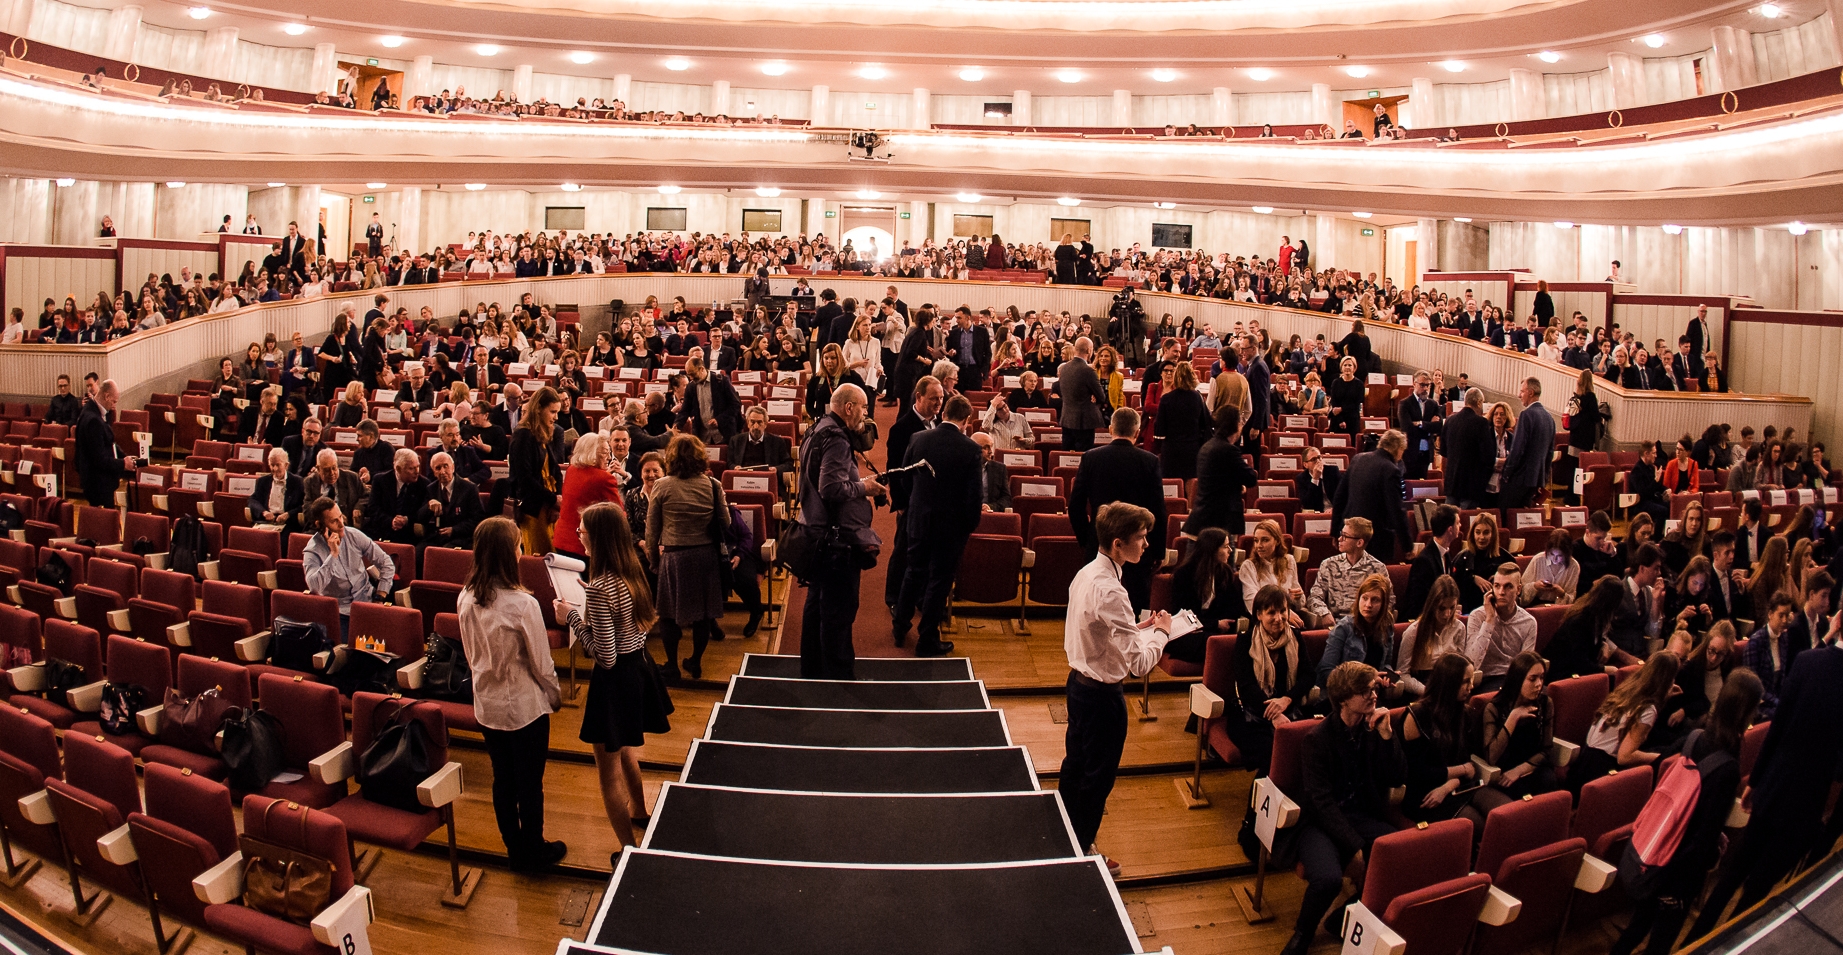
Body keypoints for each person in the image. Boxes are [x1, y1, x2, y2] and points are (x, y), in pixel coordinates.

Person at [1689, 609, 1843, 941]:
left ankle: (1693, 941)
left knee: (1732, 875)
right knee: (1757, 891)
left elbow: (1776, 731)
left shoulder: (1805, 661)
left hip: (1774, 787)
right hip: (1807, 803)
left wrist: (1755, 782)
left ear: (1839, 620)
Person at [1611, 669, 1760, 955]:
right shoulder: (1728, 766)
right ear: (1745, 712)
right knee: (1660, 944)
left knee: (1636, 928)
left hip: (1658, 854)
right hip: (1680, 872)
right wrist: (1710, 852)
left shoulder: (1695, 737)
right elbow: (1703, 835)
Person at [1060, 502, 1173, 874]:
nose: (1147, 545)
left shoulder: (1087, 573)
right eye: (1141, 538)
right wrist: (1161, 633)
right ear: (1118, 543)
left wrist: (1138, 630)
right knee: (1097, 779)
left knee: (1075, 765)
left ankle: (1063, 830)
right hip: (1102, 698)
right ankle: (1082, 849)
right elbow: (1139, 666)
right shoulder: (1112, 590)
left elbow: (1097, 632)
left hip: (1077, 685)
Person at [557, 503, 669, 859]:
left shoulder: (600, 588)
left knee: (607, 773)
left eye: (583, 530)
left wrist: (572, 616)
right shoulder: (630, 572)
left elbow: (604, 655)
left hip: (615, 681)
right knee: (627, 750)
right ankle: (640, 810)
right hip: (638, 669)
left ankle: (627, 848)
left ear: (599, 537)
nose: (578, 535)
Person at [456, 517, 565, 871]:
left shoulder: (466, 597)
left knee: (503, 780)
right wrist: (554, 695)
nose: (522, 551)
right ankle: (534, 850)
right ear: (507, 552)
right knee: (529, 784)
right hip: (523, 707)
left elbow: (471, 655)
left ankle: (514, 849)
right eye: (518, 544)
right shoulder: (521, 604)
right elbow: (541, 662)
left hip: (487, 705)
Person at [1281, 661, 1404, 955]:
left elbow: (1398, 777)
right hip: (1320, 822)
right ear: (1344, 700)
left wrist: (1388, 737)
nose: (1374, 696)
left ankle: (1343, 918)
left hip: (1360, 815)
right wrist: (1354, 846)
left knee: (1398, 858)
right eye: (1365, 691)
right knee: (1327, 880)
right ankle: (1302, 934)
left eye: (1373, 689)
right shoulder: (1317, 740)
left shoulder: (1374, 728)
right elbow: (1321, 802)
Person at [795, 384, 883, 680]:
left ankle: (813, 672)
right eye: (863, 408)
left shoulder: (817, 427)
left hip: (817, 533)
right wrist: (865, 487)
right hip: (836, 541)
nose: (865, 414)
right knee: (839, 611)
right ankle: (838, 678)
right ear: (849, 408)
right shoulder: (835, 438)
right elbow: (830, 487)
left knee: (817, 607)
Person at [893, 395, 982, 657]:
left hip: (919, 519)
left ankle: (900, 626)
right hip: (951, 527)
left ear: (943, 413)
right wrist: (968, 525)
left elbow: (904, 479)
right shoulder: (970, 449)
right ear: (966, 420)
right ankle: (927, 638)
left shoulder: (918, 439)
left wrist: (916, 505)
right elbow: (973, 496)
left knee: (913, 572)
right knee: (939, 581)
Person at [646, 433, 729, 682]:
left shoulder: (661, 486)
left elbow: (652, 531)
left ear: (670, 458)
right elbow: (726, 521)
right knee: (703, 615)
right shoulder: (712, 485)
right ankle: (695, 661)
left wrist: (653, 559)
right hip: (705, 556)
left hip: (674, 557)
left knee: (669, 615)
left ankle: (671, 664)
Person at [1069, 408, 1168, 613]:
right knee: (1135, 607)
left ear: (1110, 429)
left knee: (1095, 603)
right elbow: (1158, 510)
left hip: (1100, 541)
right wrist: (1157, 550)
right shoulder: (1150, 461)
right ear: (1137, 432)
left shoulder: (1091, 458)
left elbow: (1076, 505)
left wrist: (1087, 538)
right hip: (1136, 543)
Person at [1570, 651, 1679, 792]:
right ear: (1667, 680)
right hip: (1601, 772)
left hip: (1584, 762)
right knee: (1664, 755)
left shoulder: (1628, 689)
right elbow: (1625, 757)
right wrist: (1659, 757)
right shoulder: (1647, 709)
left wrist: (1665, 696)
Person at [884, 376, 943, 616]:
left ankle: (919, 595)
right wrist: (900, 504)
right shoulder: (902, 428)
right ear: (918, 397)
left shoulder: (940, 425)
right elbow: (894, 470)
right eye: (933, 398)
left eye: (941, 398)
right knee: (903, 551)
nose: (939, 403)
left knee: (927, 551)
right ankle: (893, 597)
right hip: (909, 503)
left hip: (933, 503)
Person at [1400, 653, 1483, 825]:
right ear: (1449, 683)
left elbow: (1470, 767)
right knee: (1476, 823)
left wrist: (1449, 784)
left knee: (1498, 811)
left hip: (1454, 785)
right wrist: (1462, 769)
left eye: (1472, 680)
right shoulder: (1417, 716)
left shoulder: (1465, 712)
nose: (1471, 686)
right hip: (1425, 792)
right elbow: (1417, 772)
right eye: (1465, 681)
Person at [302, 497, 395, 637]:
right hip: (340, 611)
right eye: (334, 521)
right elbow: (314, 587)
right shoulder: (312, 551)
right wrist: (333, 555)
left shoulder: (353, 535)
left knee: (390, 642)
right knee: (350, 651)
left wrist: (380, 596)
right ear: (319, 525)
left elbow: (386, 563)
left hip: (368, 601)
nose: (341, 524)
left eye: (341, 517)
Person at [1479, 651, 1559, 799]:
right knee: (1515, 790)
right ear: (1518, 679)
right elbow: (1492, 757)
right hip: (1504, 771)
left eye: (1541, 678)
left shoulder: (1545, 703)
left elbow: (1546, 749)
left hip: (1531, 767)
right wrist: (1513, 718)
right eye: (1532, 679)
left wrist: (1520, 770)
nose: (1539, 684)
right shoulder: (1494, 708)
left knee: (1548, 780)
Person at [1165, 528, 1239, 665]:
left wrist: (1221, 623)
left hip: (1213, 631)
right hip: (1186, 632)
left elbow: (1233, 607)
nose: (1230, 550)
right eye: (1225, 546)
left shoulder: (1225, 573)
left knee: (1230, 643)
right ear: (1212, 549)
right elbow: (1183, 614)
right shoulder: (1184, 574)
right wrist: (1215, 623)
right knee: (1215, 644)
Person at [1546, 576, 1642, 680]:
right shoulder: (1579, 622)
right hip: (1562, 673)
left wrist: (1603, 645)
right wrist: (1605, 669)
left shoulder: (1598, 618)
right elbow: (1580, 662)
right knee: (1614, 677)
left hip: (1580, 669)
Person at [1316, 573, 1398, 691]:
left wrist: (1388, 676)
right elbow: (1327, 671)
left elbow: (1385, 664)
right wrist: (1367, 678)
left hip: (1371, 692)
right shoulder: (1344, 628)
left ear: (1383, 604)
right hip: (1343, 693)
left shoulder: (1387, 627)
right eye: (1365, 598)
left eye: (1375, 600)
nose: (1368, 605)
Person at [1463, 563, 1538, 693]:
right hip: (1484, 680)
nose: (1501, 592)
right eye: (1497, 586)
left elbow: (1525, 666)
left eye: (1508, 587)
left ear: (1518, 590)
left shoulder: (1529, 622)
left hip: (1513, 679)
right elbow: (1472, 663)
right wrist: (1489, 620)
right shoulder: (1478, 616)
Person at [509, 386, 564, 555]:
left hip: (549, 505)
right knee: (539, 557)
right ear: (539, 409)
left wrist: (556, 504)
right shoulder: (523, 435)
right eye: (552, 412)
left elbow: (554, 469)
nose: (556, 417)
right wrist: (553, 499)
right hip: (533, 508)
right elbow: (525, 479)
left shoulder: (545, 431)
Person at [1305, 517, 1388, 629]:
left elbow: (1389, 601)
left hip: (1366, 625)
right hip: (1335, 625)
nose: (1339, 539)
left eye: (1345, 536)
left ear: (1359, 542)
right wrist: (1324, 613)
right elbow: (1314, 597)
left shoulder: (1377, 568)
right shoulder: (1329, 564)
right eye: (1341, 534)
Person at [553, 432, 625, 560]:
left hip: (562, 540)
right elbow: (617, 513)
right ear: (591, 453)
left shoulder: (571, 470)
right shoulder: (604, 478)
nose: (609, 458)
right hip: (583, 546)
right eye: (605, 453)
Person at [1398, 575, 1465, 699]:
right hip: (1421, 689)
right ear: (1432, 605)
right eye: (1442, 608)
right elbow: (1402, 675)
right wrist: (1428, 691)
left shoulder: (1459, 628)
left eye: (1452, 608)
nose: (1447, 614)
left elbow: (1460, 667)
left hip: (1448, 687)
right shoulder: (1414, 632)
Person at [74, 379, 136, 507]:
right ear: (106, 396)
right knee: (105, 520)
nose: (114, 405)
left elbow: (109, 443)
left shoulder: (93, 411)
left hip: (99, 481)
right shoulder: (93, 420)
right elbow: (99, 459)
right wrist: (123, 463)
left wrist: (124, 457)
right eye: (113, 401)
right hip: (98, 483)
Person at [1498, 377, 1555, 508]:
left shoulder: (1526, 415)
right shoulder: (1549, 419)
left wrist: (1507, 474)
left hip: (1519, 479)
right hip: (1535, 481)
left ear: (1530, 392)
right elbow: (1549, 454)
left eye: (1522, 391)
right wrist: (1543, 480)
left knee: (1507, 518)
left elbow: (1517, 450)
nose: (1519, 395)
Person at [1151, 362, 1210, 480]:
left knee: (1171, 484)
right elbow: (1205, 423)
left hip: (1171, 448)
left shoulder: (1166, 399)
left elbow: (1159, 429)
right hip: (1192, 447)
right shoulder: (1197, 397)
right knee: (1191, 481)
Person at [1404, 504, 1461, 618]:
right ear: (1450, 529)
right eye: (1458, 523)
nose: (1460, 525)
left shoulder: (1446, 554)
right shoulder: (1424, 561)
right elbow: (1418, 603)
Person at [1442, 388, 1494, 508]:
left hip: (1451, 482)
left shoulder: (1450, 420)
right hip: (1471, 485)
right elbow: (1488, 457)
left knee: (1450, 520)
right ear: (1479, 402)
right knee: (1465, 523)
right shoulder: (1481, 423)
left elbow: (1444, 451)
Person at [1056, 337, 1107, 451]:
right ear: (1089, 350)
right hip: (1084, 422)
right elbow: (1101, 396)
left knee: (1067, 458)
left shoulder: (1064, 368)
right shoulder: (1088, 371)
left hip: (1066, 419)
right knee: (1082, 457)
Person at [676, 356, 741, 444]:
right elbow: (684, 411)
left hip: (724, 434)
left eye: (693, 374)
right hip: (702, 436)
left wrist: (719, 420)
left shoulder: (722, 381)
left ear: (702, 369)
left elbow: (735, 405)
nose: (691, 378)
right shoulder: (691, 387)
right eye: (689, 375)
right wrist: (676, 426)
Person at [1396, 372, 1441, 480]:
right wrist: (1429, 425)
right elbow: (1408, 428)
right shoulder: (1405, 404)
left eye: (1428, 385)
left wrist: (1421, 424)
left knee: (1423, 485)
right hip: (1411, 452)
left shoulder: (1433, 404)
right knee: (1409, 485)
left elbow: (1439, 426)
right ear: (1414, 384)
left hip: (1426, 453)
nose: (1425, 388)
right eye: (1422, 385)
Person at [731, 405, 794, 482]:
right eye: (752, 422)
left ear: (765, 424)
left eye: (759, 422)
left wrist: (776, 469)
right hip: (743, 480)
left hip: (767, 481)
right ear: (747, 423)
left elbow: (788, 464)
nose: (756, 427)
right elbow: (730, 462)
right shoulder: (736, 440)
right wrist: (735, 467)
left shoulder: (777, 442)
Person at [248, 448, 305, 532]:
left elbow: (303, 505)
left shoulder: (297, 481)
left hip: (288, 524)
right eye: (272, 465)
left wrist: (288, 514)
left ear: (286, 465)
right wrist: (264, 512)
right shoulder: (263, 481)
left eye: (278, 465)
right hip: (266, 522)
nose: (274, 468)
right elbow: (252, 500)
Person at [972, 432, 1012, 512]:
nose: (991, 451)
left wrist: (991, 507)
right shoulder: (961, 468)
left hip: (990, 514)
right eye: (986, 448)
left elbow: (1006, 499)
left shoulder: (1000, 468)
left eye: (991, 447)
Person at [1293, 446, 1338, 512]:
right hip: (1317, 514)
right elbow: (1307, 504)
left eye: (1319, 457)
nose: (1318, 461)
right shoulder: (1301, 478)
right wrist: (1315, 479)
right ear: (1305, 465)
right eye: (1314, 459)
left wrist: (1335, 509)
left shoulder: (1333, 471)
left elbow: (1343, 496)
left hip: (1334, 511)